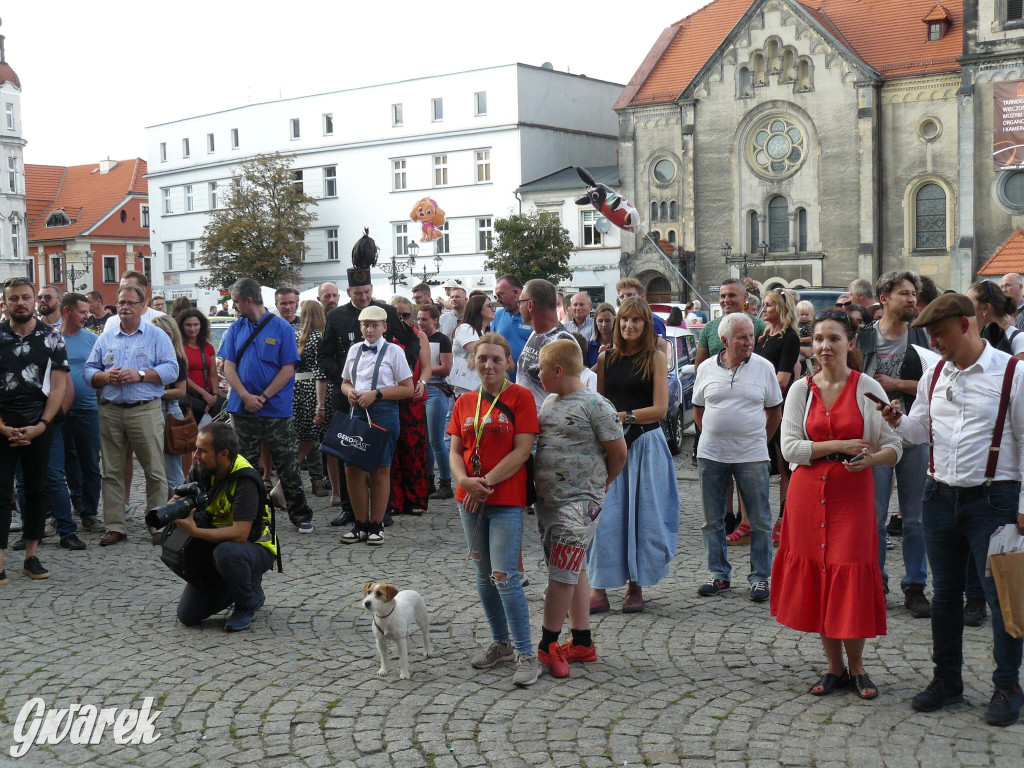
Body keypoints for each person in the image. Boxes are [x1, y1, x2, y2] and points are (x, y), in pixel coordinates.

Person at [880, 294, 1024, 727]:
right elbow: (921, 428)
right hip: (939, 494)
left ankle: (1007, 684)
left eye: (939, 334)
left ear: (965, 324)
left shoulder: (1013, 373)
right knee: (944, 595)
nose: (935, 343)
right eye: (929, 336)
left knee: (1003, 597)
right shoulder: (935, 372)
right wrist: (895, 421)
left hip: (995, 497)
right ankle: (947, 680)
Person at [774, 309, 901, 700]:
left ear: (850, 342)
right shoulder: (801, 389)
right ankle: (834, 667)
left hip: (853, 495)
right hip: (808, 493)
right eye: (818, 339)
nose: (825, 346)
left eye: (834, 338)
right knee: (821, 577)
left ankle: (858, 666)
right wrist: (840, 446)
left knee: (850, 573)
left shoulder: (868, 389)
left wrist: (869, 458)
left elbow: (894, 447)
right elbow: (789, 446)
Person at [447, 333, 542, 686]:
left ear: (508, 363)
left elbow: (522, 451)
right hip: (468, 499)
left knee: (505, 576)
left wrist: (482, 482)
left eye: (496, 359)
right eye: (482, 358)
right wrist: (464, 481)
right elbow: (455, 450)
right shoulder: (464, 402)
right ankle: (500, 643)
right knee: (483, 575)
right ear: (473, 361)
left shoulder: (520, 397)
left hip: (505, 498)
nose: (488, 364)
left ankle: (526, 654)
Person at [534, 339, 626, 678]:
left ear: (557, 370)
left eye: (541, 370)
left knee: (561, 574)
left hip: (580, 505)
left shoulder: (595, 404)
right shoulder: (550, 401)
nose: (538, 375)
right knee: (574, 568)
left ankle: (547, 646)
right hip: (549, 503)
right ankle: (583, 641)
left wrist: (602, 485)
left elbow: (618, 452)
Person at [588, 297, 678, 613]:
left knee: (641, 516)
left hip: (644, 445)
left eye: (636, 321)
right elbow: (598, 402)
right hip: (611, 447)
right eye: (624, 320)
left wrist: (623, 417)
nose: (628, 326)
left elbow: (660, 409)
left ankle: (635, 587)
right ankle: (597, 589)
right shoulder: (605, 357)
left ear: (645, 325)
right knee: (604, 517)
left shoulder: (655, 357)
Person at [319, 260, 419, 526]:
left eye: (366, 292)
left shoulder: (386, 312)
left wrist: (398, 371)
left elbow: (411, 341)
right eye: (357, 293)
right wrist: (344, 377)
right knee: (348, 456)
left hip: (382, 396)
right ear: (349, 292)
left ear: (371, 289)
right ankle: (351, 510)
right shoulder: (336, 316)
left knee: (380, 459)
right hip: (348, 395)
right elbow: (325, 356)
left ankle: (380, 512)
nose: (363, 298)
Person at [856, 271, 931, 618]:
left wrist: (897, 385)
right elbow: (850, 384)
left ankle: (915, 587)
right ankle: (877, 582)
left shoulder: (923, 338)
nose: (912, 300)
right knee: (873, 517)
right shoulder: (863, 339)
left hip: (914, 434)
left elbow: (936, 387)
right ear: (884, 298)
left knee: (915, 518)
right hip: (876, 439)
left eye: (914, 294)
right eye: (905, 294)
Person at [694, 312, 783, 602]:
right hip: (711, 454)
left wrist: (758, 439)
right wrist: (712, 435)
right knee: (712, 520)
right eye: (742, 337)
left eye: (751, 336)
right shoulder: (706, 368)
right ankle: (719, 575)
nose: (749, 342)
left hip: (752, 455)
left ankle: (760, 578)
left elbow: (774, 412)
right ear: (724, 340)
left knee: (759, 520)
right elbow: (698, 409)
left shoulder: (764, 368)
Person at [84, 285, 178, 546]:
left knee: (154, 470)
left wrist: (140, 375)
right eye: (121, 302)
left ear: (141, 305)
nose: (124, 307)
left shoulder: (156, 335)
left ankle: (158, 524)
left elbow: (171, 369)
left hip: (145, 409)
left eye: (130, 303)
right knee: (111, 471)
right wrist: (104, 376)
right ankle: (115, 526)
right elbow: (89, 370)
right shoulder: (107, 336)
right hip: (111, 410)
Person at [219, 278, 315, 533]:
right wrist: (245, 396)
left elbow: (288, 368)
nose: (234, 306)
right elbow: (228, 366)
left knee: (287, 465)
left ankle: (300, 515)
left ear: (248, 300)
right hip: (242, 408)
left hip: (276, 409)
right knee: (244, 467)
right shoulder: (235, 328)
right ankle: (250, 517)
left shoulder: (281, 328)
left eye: (236, 301)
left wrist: (262, 396)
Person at [174, 422, 279, 632]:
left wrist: (195, 531)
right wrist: (174, 506)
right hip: (218, 544)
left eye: (202, 451)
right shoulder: (202, 468)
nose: (195, 455)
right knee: (188, 615)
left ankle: (247, 602)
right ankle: (240, 582)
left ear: (223, 454)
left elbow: (240, 535)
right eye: (196, 449)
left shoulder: (245, 480)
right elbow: (184, 500)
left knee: (228, 553)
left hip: (254, 547)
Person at [0, 277, 70, 581]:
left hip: (39, 421)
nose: (21, 303)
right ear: (5, 303)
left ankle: (32, 556)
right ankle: (0, 561)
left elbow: (58, 387)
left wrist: (42, 425)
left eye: (26, 297)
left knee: (36, 489)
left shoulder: (52, 338)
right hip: (1, 423)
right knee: (1, 492)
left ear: (33, 300)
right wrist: (1, 427)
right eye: (14, 298)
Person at [338, 306, 413, 546]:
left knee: (380, 469)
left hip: (383, 412)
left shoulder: (394, 352)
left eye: (374, 325)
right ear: (360, 327)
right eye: (366, 325)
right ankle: (360, 523)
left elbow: (407, 388)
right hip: (357, 411)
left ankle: (377, 525)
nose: (370, 330)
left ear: (384, 327)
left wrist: (377, 394)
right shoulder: (354, 350)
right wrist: (349, 392)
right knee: (352, 468)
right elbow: (346, 382)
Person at [753, 289, 800, 545]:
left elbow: (782, 379)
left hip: (779, 406)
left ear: (781, 308)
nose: (764, 309)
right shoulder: (763, 338)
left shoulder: (789, 338)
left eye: (769, 305)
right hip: (760, 405)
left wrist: (760, 400)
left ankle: (785, 517)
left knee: (784, 465)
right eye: (764, 304)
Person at [59, 292, 104, 535]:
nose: (87, 316)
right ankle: (64, 509)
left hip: (87, 408)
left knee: (90, 462)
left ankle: (89, 512)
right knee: (63, 461)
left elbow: (101, 370)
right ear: (67, 311)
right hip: (57, 409)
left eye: (88, 311)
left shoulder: (91, 339)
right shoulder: (52, 336)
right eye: (82, 311)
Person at [387, 296, 432, 517]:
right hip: (390, 399)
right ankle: (395, 499)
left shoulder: (418, 335)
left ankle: (416, 498)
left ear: (412, 315)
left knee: (414, 450)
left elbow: (426, 367)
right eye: (398, 315)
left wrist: (422, 383)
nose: (402, 319)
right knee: (392, 452)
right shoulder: (386, 336)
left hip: (413, 398)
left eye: (406, 315)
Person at [516, 279, 577, 411]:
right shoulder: (535, 334)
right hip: (527, 423)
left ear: (530, 304)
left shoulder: (562, 341)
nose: (518, 307)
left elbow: (571, 393)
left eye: (520, 302)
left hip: (546, 427)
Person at [291, 300, 331, 498]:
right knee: (311, 438)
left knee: (304, 437)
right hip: (313, 389)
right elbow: (319, 372)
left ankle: (301, 480)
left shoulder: (297, 336)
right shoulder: (320, 337)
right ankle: (294, 481)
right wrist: (321, 403)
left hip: (297, 388)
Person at [152, 315, 190, 506]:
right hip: (157, 411)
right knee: (158, 468)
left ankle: (181, 509)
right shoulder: (153, 355)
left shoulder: (176, 357)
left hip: (169, 412)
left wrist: (153, 391)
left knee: (172, 469)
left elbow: (180, 391)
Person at [417, 303, 454, 500]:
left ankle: (446, 482)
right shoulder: (416, 338)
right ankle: (429, 480)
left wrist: (424, 369)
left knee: (436, 440)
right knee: (424, 441)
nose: (421, 323)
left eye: (425, 319)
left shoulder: (442, 339)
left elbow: (446, 368)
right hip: (421, 389)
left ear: (435, 320)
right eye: (419, 319)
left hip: (436, 389)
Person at [178, 309, 220, 421]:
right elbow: (182, 376)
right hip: (190, 398)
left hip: (210, 397)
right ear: (182, 326)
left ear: (201, 325)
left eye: (196, 325)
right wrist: (205, 395)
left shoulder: (208, 347)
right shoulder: (179, 348)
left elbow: (213, 374)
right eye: (188, 325)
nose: (192, 329)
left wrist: (214, 395)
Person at [490, 274, 533, 380]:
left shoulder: (533, 315)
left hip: (530, 382)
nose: (498, 300)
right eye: (497, 296)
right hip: (503, 381)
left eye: (501, 295)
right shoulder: (498, 316)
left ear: (516, 293)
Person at [451, 294, 494, 396]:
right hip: (465, 392)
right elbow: (482, 352)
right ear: (477, 309)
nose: (494, 309)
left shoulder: (482, 333)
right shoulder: (465, 328)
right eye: (489, 306)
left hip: (478, 390)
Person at [968, 280, 1024, 358]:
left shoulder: (1019, 339)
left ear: (986, 308)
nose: (965, 309)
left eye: (969, 304)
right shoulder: (977, 340)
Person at [586, 302, 616, 368]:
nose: (604, 325)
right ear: (595, 322)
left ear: (614, 321)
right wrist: (602, 359)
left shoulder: (620, 346)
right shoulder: (589, 347)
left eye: (607, 321)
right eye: (600, 321)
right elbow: (585, 376)